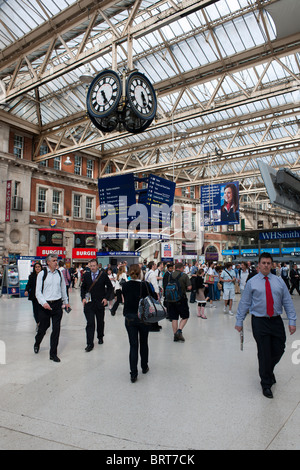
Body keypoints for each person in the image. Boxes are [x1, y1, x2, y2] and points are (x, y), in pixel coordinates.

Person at [235, 252, 297, 399]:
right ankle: (266, 383)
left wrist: (292, 321)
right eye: (263, 263)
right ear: (259, 264)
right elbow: (245, 303)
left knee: (279, 348)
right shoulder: (252, 282)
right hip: (259, 321)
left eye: (268, 263)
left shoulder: (279, 281)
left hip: (276, 320)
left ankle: (268, 370)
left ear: (272, 264)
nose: (266, 265)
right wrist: (239, 320)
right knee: (264, 352)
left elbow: (287, 301)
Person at [122, 264, 158, 383]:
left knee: (133, 345)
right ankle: (144, 366)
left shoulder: (125, 285)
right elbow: (154, 297)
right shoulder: (145, 285)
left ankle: (133, 373)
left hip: (129, 318)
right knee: (144, 342)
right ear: (140, 273)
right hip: (143, 318)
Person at [34, 254, 71, 362]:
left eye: (57, 260)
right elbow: (38, 292)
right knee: (43, 328)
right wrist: (43, 303)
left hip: (57, 305)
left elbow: (63, 289)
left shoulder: (59, 274)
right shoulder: (42, 274)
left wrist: (66, 302)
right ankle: (37, 342)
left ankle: (53, 354)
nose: (56, 262)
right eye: (54, 260)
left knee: (56, 329)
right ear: (48, 262)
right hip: (45, 306)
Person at [80, 259, 113, 352]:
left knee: (100, 321)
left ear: (98, 266)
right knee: (90, 323)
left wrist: (106, 298)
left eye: (94, 266)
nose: (92, 267)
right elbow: (83, 288)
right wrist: (82, 297)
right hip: (88, 303)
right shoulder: (86, 275)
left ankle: (100, 336)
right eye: (91, 266)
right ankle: (89, 343)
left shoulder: (103, 275)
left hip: (100, 302)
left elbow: (110, 287)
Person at [166, 262, 192, 342]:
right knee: (185, 316)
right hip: (181, 299)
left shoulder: (170, 275)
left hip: (171, 299)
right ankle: (179, 331)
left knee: (174, 317)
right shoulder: (184, 275)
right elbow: (189, 287)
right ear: (181, 268)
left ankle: (175, 335)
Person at [25, 262, 42, 327]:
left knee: (42, 310)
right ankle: (38, 323)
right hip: (34, 296)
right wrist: (26, 290)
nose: (37, 268)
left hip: (42, 296)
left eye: (39, 267)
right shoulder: (31, 276)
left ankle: (42, 322)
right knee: (35, 310)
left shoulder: (44, 276)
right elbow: (28, 284)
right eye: (36, 267)